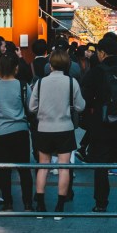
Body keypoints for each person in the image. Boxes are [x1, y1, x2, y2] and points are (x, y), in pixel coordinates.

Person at [81, 32, 117, 213]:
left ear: (101, 53)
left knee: (101, 165)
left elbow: (85, 99)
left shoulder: (96, 72)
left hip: (102, 126)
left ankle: (101, 203)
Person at [28, 48, 85, 218]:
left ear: (50, 63)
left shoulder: (40, 83)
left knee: (43, 167)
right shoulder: (71, 82)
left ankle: (40, 205)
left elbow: (32, 107)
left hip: (44, 128)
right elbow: (81, 106)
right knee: (64, 168)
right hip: (65, 128)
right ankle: (60, 207)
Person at [0, 52, 34, 212]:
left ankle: (8, 203)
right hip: (20, 131)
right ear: (16, 68)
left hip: (1, 132)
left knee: (4, 169)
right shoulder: (23, 85)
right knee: (24, 169)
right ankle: (27, 203)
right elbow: (31, 107)